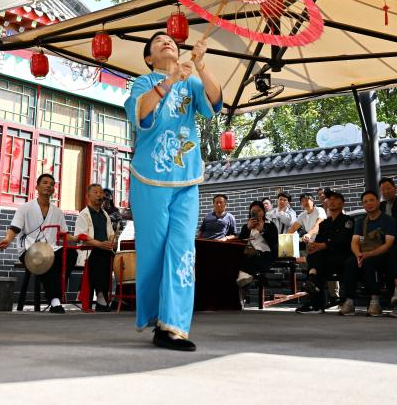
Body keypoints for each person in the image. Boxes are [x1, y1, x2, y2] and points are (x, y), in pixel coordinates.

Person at [123, 32, 222, 351]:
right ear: (149, 58)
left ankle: (173, 326)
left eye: (172, 41)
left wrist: (201, 65)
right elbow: (141, 114)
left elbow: (215, 102)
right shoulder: (143, 82)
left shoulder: (191, 81)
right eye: (158, 41)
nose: (167, 42)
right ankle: (156, 316)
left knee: (183, 250)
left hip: (186, 178)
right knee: (153, 251)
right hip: (149, 178)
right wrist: (169, 80)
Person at [0, 174, 75, 313]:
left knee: (71, 254)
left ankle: (56, 290)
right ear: (37, 187)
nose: (49, 185)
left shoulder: (57, 212)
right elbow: (14, 228)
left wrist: (79, 238)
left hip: (51, 249)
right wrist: (7, 240)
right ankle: (55, 300)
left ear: (53, 190)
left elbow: (65, 235)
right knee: (47, 258)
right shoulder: (25, 208)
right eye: (45, 182)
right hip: (29, 250)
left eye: (51, 184)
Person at [295, 190, 355, 314]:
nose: (331, 202)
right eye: (329, 199)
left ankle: (315, 300)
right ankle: (313, 285)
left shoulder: (348, 220)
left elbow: (343, 240)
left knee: (317, 262)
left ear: (342, 203)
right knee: (313, 255)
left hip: (342, 257)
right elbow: (318, 240)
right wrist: (313, 246)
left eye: (335, 199)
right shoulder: (324, 224)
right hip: (326, 259)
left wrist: (323, 245)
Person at [342, 191, 396, 316]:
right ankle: (349, 301)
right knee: (350, 263)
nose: (369, 203)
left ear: (378, 202)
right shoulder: (361, 221)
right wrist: (358, 255)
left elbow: (388, 244)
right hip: (364, 254)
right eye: (365, 202)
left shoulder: (388, 220)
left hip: (383, 255)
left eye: (372, 200)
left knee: (370, 262)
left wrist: (369, 254)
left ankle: (375, 301)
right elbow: (354, 242)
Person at [75, 183, 116, 312]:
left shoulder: (105, 214)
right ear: (88, 196)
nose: (100, 195)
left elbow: (111, 233)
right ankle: (100, 296)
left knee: (114, 258)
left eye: (101, 192)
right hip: (89, 250)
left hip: (105, 249)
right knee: (100, 257)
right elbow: (82, 236)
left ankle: (104, 296)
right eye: (96, 192)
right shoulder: (84, 214)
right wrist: (100, 244)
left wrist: (110, 243)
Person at [236, 200, 278, 289]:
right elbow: (239, 242)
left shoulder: (270, 225)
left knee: (246, 259)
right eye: (253, 211)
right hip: (247, 255)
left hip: (265, 256)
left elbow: (274, 243)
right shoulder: (246, 226)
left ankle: (246, 277)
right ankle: (245, 279)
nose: (256, 213)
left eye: (259, 210)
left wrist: (262, 231)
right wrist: (248, 229)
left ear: (263, 212)